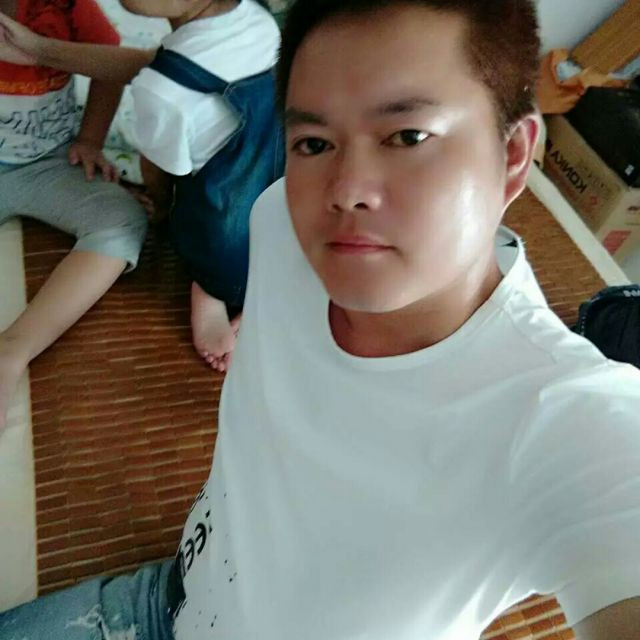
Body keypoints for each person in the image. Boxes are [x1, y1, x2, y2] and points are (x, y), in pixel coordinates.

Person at [2, 0, 640, 639]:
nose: (345, 190)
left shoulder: (568, 417)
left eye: (407, 136)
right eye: (314, 143)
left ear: (513, 155)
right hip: (168, 600)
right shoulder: (278, 220)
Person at [0, 0, 284, 372]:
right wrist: (40, 49)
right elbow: (153, 66)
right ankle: (255, 295)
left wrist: (158, 202)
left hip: (219, 236)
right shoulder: (257, 21)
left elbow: (158, 163)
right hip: (278, 195)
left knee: (173, 222)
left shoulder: (160, 88)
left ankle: (212, 288)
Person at [0, 0, 147, 432]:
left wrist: (90, 140)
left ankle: (13, 348)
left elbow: (110, 63)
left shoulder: (68, 4)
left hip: (49, 163)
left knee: (121, 218)